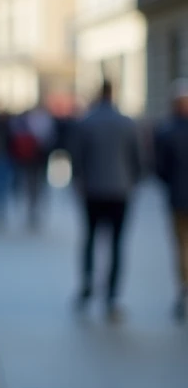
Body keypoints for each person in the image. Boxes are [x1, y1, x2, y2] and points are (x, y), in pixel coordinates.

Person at [69, 80, 142, 321]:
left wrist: (79, 181)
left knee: (90, 237)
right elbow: (138, 160)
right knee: (117, 243)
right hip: (120, 191)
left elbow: (76, 158)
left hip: (93, 189)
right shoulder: (127, 123)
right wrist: (132, 182)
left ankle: (88, 284)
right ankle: (112, 295)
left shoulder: (86, 122)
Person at [154, 79, 188, 322]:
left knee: (182, 246)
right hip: (177, 197)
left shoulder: (166, 131)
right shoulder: (165, 132)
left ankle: (183, 288)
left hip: (177, 197)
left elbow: (160, 169)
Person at [12, 105, 56, 230]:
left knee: (34, 184)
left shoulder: (28, 121)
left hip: (35, 159)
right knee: (33, 184)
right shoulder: (42, 121)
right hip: (33, 159)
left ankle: (33, 208)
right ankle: (33, 208)